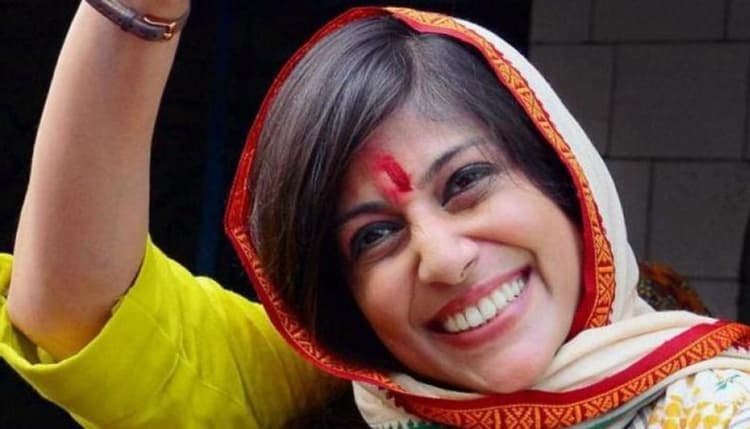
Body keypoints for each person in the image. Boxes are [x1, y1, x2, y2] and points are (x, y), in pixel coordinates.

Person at [1, 3, 749, 429]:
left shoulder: (717, 408)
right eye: (374, 236)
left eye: (467, 182)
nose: (444, 257)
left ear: (565, 178)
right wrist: (135, 13)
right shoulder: (337, 393)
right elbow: (72, 307)